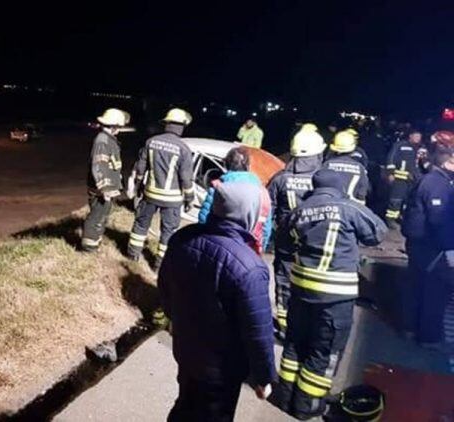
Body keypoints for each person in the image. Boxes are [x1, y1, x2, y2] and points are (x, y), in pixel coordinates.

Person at [269, 169, 386, 420]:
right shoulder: (349, 208)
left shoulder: (300, 210)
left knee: (294, 346)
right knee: (324, 352)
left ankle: (284, 398)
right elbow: (378, 232)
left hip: (301, 294)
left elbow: (283, 242)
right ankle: (307, 406)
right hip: (335, 299)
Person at [159, 181, 276, 422]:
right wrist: (263, 377)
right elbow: (258, 332)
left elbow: (165, 289)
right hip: (222, 370)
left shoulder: (183, 238)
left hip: (186, 350)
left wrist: (176, 321)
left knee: (186, 405)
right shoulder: (249, 267)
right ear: (248, 213)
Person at [267, 125, 324, 338]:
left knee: (283, 281)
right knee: (311, 285)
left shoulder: (280, 178)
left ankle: (284, 326)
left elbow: (268, 208)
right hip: (315, 243)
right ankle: (306, 326)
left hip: (286, 241)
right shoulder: (322, 179)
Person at [127, 108, 195, 268]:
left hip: (150, 194)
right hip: (172, 200)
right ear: (182, 126)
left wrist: (137, 186)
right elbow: (186, 179)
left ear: (166, 124)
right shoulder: (184, 149)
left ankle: (132, 255)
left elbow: (140, 168)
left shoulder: (151, 142)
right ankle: (159, 264)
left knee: (141, 224)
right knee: (168, 232)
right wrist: (189, 199)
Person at [402, 145, 454, 350]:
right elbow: (439, 219)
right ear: (448, 161)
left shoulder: (433, 179)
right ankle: (430, 338)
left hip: (421, 245)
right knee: (435, 292)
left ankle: (412, 329)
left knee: (418, 288)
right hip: (431, 247)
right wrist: (450, 248)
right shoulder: (437, 184)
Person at [198, 146, 273, 254]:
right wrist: (259, 250)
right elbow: (265, 227)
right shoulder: (263, 192)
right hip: (248, 251)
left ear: (226, 164)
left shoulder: (219, 186)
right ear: (248, 166)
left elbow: (204, 218)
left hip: (218, 247)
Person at [80, 108, 130, 252]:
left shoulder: (108, 140)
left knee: (101, 216)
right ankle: (89, 248)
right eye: (119, 127)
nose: (119, 130)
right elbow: (99, 166)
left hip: (105, 189)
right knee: (96, 217)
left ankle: (95, 243)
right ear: (113, 126)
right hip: (100, 190)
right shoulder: (103, 141)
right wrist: (105, 189)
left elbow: (110, 164)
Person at [385, 130, 425, 228]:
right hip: (399, 177)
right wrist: (390, 173)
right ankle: (391, 220)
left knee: (410, 200)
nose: (417, 138)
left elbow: (422, 164)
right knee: (396, 200)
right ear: (410, 136)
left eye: (419, 136)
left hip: (414, 179)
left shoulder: (421, 148)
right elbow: (391, 158)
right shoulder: (400, 145)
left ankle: (403, 218)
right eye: (416, 136)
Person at [323, 130, 370, 204]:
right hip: (351, 206)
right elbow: (362, 193)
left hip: (329, 205)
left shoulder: (327, 164)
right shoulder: (360, 167)